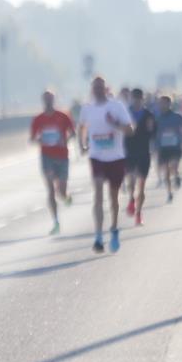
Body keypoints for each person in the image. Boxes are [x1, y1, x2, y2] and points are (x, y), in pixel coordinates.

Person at [78, 77, 134, 253]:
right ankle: (98, 237)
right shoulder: (87, 108)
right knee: (98, 194)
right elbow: (81, 127)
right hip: (96, 157)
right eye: (95, 87)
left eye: (100, 87)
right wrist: (82, 145)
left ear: (106, 89)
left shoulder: (116, 106)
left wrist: (114, 123)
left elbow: (130, 130)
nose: (98, 90)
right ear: (92, 89)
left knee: (113, 198)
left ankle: (114, 229)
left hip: (115, 157)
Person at [29, 90, 75, 234]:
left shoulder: (63, 116)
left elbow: (73, 133)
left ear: (54, 100)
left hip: (62, 156)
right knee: (50, 189)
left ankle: (66, 197)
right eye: (46, 99)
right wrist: (40, 140)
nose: (48, 101)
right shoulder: (38, 119)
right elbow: (32, 139)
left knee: (61, 191)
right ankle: (56, 221)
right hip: (47, 157)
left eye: (50, 99)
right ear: (43, 101)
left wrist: (65, 140)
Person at [123, 88, 156, 226]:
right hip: (129, 152)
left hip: (143, 152)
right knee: (131, 181)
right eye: (134, 98)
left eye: (139, 98)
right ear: (131, 98)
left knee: (141, 185)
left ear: (142, 99)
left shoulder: (148, 115)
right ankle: (131, 199)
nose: (136, 101)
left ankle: (138, 213)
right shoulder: (126, 113)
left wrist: (151, 129)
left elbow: (153, 133)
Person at [155, 95, 182, 203]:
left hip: (175, 147)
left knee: (173, 166)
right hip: (163, 148)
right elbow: (153, 132)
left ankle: (177, 176)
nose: (162, 105)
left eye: (164, 103)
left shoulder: (177, 117)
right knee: (166, 173)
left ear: (169, 104)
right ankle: (169, 193)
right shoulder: (157, 118)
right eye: (160, 103)